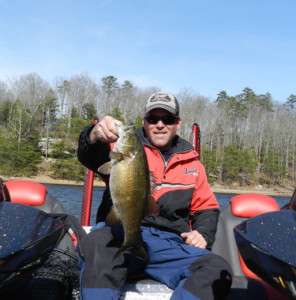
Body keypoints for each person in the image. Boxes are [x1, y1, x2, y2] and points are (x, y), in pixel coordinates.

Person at [77, 92, 233, 300]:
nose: (160, 124)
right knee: (97, 242)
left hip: (169, 244)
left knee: (216, 268)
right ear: (144, 122)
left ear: (177, 123)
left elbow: (206, 208)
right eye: (153, 119)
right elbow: (89, 154)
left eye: (167, 119)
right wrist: (95, 134)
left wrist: (203, 233)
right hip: (120, 232)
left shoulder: (193, 164)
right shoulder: (122, 146)